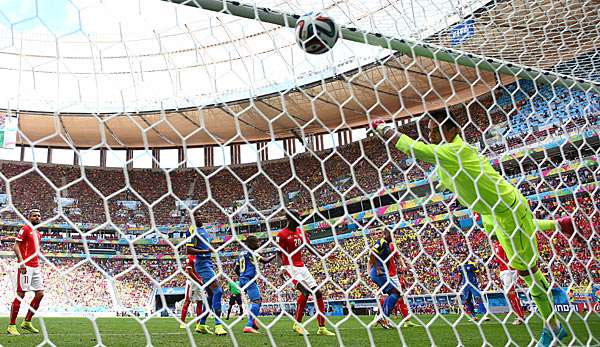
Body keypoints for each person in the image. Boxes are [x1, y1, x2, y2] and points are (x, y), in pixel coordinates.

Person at [370, 109, 574, 347]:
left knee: (528, 273)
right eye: (428, 131)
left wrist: (386, 129)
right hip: (494, 210)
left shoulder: (455, 149)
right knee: (514, 248)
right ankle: (557, 225)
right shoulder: (449, 157)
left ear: (453, 131)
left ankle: (553, 328)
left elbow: (418, 150)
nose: (431, 134)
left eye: (435, 130)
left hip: (505, 210)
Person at [276, 210, 336, 336]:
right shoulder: (281, 234)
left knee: (318, 293)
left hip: (301, 267)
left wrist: (324, 256)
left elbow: (310, 247)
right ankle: (297, 324)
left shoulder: (301, 232)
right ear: (291, 218)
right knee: (305, 291)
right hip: (289, 267)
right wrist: (281, 268)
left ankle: (321, 327)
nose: (300, 219)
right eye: (298, 216)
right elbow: (278, 253)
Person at [186, 213, 227, 336]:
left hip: (208, 263)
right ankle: (218, 325)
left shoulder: (203, 230)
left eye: (200, 215)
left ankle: (202, 324)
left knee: (210, 295)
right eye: (196, 216)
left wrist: (213, 249)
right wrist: (206, 251)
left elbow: (205, 246)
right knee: (218, 291)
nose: (199, 217)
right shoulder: (191, 231)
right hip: (202, 265)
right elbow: (189, 250)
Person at [368, 229, 418, 328]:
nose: (394, 236)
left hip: (383, 273)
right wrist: (376, 270)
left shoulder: (388, 245)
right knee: (396, 293)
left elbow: (394, 259)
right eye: (392, 234)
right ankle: (382, 317)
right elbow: (371, 255)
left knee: (394, 293)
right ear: (386, 234)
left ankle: (383, 317)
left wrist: (402, 267)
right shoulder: (382, 242)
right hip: (379, 273)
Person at [7, 209, 44, 336]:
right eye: (34, 216)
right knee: (20, 294)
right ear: (29, 217)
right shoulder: (25, 229)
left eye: (39, 216)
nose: (37, 217)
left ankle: (27, 322)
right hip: (26, 266)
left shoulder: (38, 233)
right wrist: (21, 262)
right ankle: (11, 325)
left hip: (36, 267)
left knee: (40, 294)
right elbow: (16, 246)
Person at [235, 234, 276, 334]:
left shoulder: (241, 254)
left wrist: (242, 276)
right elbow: (265, 261)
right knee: (256, 301)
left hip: (243, 279)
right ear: (251, 243)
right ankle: (248, 325)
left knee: (258, 300)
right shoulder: (252, 253)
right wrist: (276, 254)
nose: (258, 244)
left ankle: (252, 322)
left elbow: (236, 269)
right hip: (248, 279)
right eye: (257, 242)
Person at [491, 234, 525, 325]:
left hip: (508, 271)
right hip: (505, 270)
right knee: (510, 294)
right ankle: (519, 314)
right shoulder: (497, 245)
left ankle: (520, 316)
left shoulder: (503, 244)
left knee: (511, 293)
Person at [179, 255, 205, 331]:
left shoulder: (199, 256)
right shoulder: (190, 257)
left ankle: (198, 324)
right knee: (187, 301)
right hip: (191, 282)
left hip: (199, 282)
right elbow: (190, 272)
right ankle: (182, 322)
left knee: (200, 302)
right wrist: (199, 281)